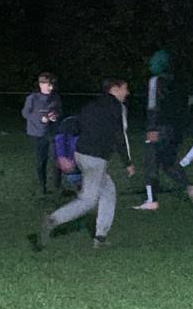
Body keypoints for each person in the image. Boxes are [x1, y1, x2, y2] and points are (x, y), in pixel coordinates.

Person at [38, 79, 135, 250]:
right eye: (125, 88)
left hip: (81, 154)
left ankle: (100, 237)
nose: (127, 93)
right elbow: (121, 135)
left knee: (108, 192)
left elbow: (71, 125)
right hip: (95, 158)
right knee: (88, 200)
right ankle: (53, 219)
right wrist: (127, 162)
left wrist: (63, 155)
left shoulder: (91, 105)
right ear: (114, 88)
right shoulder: (117, 108)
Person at [134, 50, 193, 210]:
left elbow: (153, 106)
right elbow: (184, 106)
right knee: (168, 163)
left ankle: (151, 200)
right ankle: (189, 186)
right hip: (176, 129)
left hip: (160, 128)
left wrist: (152, 127)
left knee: (151, 162)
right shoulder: (179, 82)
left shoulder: (156, 81)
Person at [21, 72, 62, 196]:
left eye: (53, 85)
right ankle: (42, 186)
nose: (51, 88)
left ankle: (57, 186)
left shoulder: (56, 97)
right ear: (41, 84)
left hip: (53, 132)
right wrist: (40, 118)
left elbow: (59, 111)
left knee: (57, 160)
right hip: (38, 134)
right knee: (41, 160)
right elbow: (25, 113)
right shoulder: (33, 98)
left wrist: (55, 116)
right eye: (49, 85)